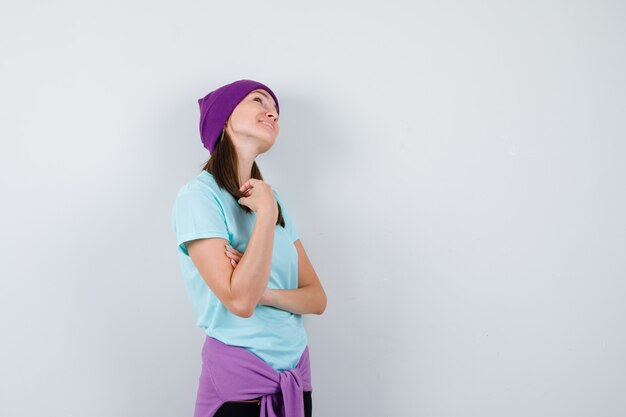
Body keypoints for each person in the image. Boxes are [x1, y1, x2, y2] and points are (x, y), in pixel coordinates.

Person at [171, 79, 327, 417]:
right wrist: (266, 215)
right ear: (225, 119)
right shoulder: (199, 197)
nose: (272, 112)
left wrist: (267, 294)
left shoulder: (273, 199)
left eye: (275, 110)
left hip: (297, 378)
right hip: (240, 385)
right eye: (259, 100)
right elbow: (240, 301)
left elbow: (316, 298)